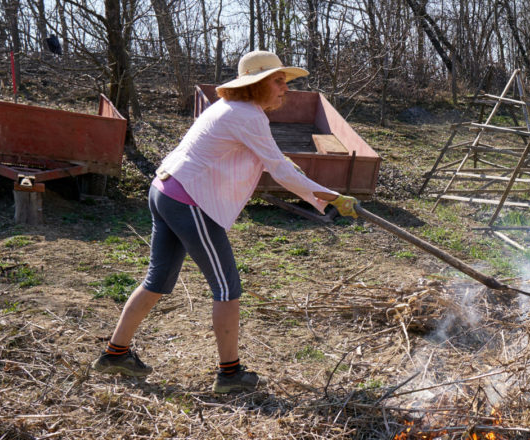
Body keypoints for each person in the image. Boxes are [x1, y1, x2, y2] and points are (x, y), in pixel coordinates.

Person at [91, 50, 359, 393]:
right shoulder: (247, 115)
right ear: (256, 84)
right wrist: (333, 197)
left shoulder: (233, 110)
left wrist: (295, 172)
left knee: (157, 281)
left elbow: (273, 160)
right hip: (187, 200)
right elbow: (279, 170)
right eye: (278, 81)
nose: (285, 88)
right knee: (227, 287)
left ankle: (115, 355)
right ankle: (230, 375)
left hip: (165, 190)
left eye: (285, 82)